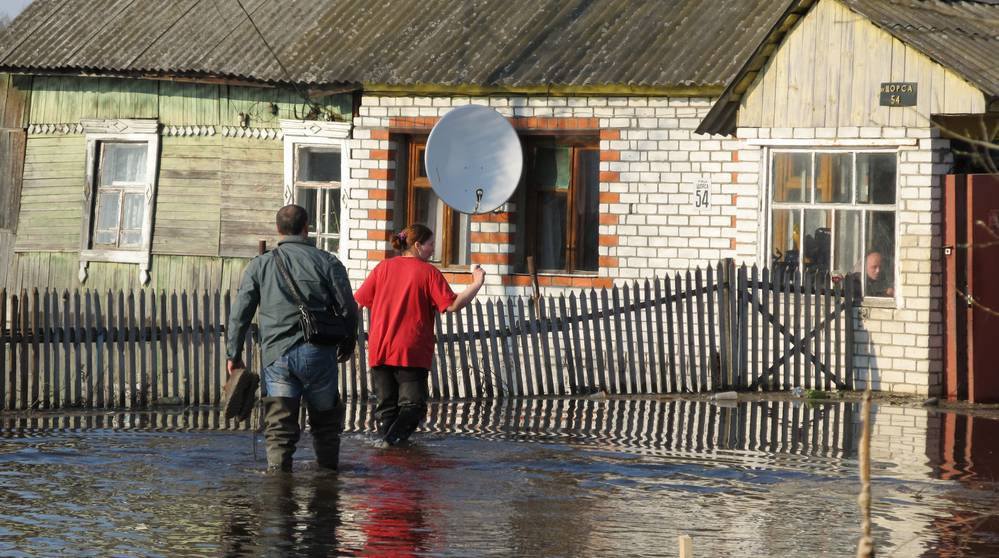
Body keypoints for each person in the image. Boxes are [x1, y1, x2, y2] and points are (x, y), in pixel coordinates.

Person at [227, 204, 358, 473]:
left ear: (278, 229)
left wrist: (234, 354)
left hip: (277, 356)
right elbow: (348, 308)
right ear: (306, 226)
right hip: (319, 353)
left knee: (279, 425)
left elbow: (240, 313)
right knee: (325, 423)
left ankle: (278, 487)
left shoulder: (260, 265)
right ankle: (327, 484)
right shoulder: (327, 261)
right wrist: (348, 341)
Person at [354, 223, 486, 446]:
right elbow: (452, 305)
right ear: (417, 245)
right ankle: (390, 445)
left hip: (380, 350)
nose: (434, 249)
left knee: (387, 410)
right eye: (431, 244)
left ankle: (387, 461)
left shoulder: (382, 268)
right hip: (410, 351)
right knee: (414, 407)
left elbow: (357, 302)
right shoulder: (428, 273)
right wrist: (477, 283)